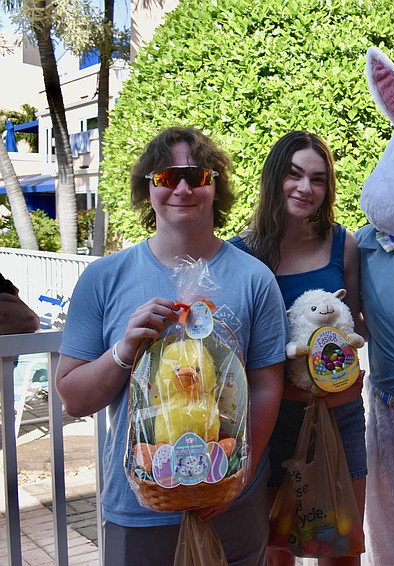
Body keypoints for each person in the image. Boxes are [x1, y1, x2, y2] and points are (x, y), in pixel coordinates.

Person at [54, 126, 288, 565]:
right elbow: (74, 398)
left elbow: (265, 387)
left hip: (229, 503)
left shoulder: (255, 279)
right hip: (139, 507)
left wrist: (239, 474)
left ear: (215, 187)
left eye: (197, 176)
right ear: (148, 188)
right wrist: (125, 348)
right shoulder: (104, 278)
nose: (182, 188)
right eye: (166, 177)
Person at [229, 130, 365, 566]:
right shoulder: (241, 254)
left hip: (341, 417)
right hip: (271, 423)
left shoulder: (344, 244)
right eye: (294, 174)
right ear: (274, 178)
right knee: (277, 550)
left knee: (341, 547)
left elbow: (354, 325)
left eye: (318, 179)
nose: (305, 188)